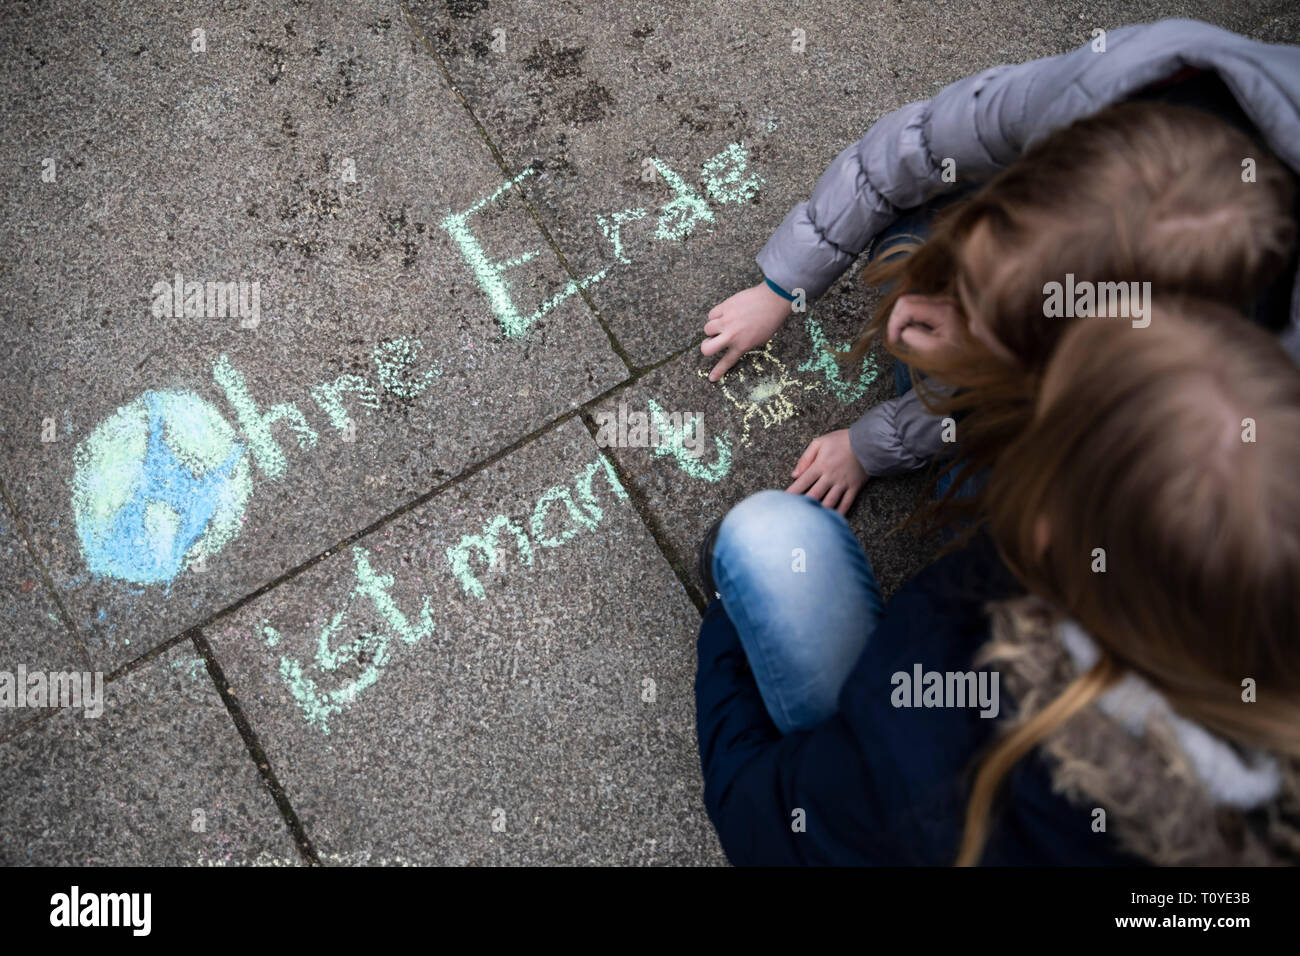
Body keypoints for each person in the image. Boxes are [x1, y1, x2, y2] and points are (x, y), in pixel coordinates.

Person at [695, 300, 1300, 865]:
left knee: (766, 542)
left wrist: (728, 632)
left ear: (1048, 527)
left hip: (902, 775)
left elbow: (762, 820)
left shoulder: (944, 753)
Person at [700, 20, 1300, 514]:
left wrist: (870, 446)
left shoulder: (1222, 396)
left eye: (972, 313)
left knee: (989, 508)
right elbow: (908, 150)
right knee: (913, 240)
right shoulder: (1096, 87)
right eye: (972, 265)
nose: (899, 324)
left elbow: (1001, 403)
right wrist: (784, 285)